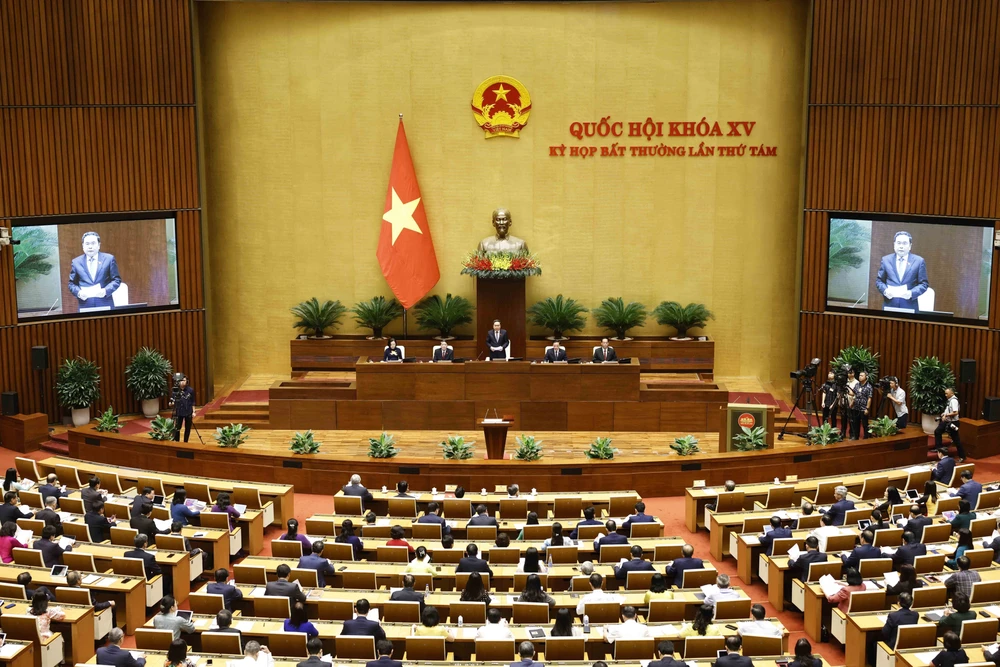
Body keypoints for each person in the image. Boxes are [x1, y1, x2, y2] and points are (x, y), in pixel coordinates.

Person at [875, 231, 929, 311]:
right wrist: (885, 291)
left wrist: (911, 293)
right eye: (898, 243)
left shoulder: (919, 261)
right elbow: (879, 281)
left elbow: (924, 284)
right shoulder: (886, 260)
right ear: (894, 245)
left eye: (904, 243)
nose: (901, 246)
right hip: (889, 305)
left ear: (910, 246)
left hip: (909, 306)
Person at [68, 231, 122, 309]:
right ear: (83, 246)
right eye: (87, 244)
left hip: (105, 303)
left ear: (99, 245)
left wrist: (105, 291)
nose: (90, 247)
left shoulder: (109, 259)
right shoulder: (76, 262)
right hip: (85, 304)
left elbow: (116, 280)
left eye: (93, 243)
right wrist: (79, 293)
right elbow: (71, 284)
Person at [936, 388, 965, 460]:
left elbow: (955, 412)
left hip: (953, 422)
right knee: (937, 431)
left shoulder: (954, 401)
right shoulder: (949, 401)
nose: (945, 395)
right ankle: (939, 449)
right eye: (945, 393)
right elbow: (948, 409)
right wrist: (944, 414)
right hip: (947, 421)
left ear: (952, 393)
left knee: (956, 440)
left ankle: (962, 456)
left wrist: (946, 415)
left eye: (947, 393)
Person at [849, 371, 873, 440]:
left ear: (866, 377)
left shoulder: (869, 386)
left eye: (862, 375)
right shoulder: (857, 385)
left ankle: (866, 437)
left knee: (865, 424)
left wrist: (867, 408)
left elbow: (869, 398)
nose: (860, 376)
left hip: (863, 408)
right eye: (859, 375)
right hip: (856, 407)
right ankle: (856, 437)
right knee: (855, 423)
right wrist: (852, 403)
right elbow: (854, 395)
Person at [171, 375, 196, 442]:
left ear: (187, 381)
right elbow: (172, 400)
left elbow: (193, 401)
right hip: (179, 412)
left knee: (187, 428)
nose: (182, 382)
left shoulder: (190, 390)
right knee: (177, 428)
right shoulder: (175, 390)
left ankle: (185, 442)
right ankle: (177, 442)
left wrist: (194, 411)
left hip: (188, 411)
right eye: (181, 380)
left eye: (184, 380)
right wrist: (171, 403)